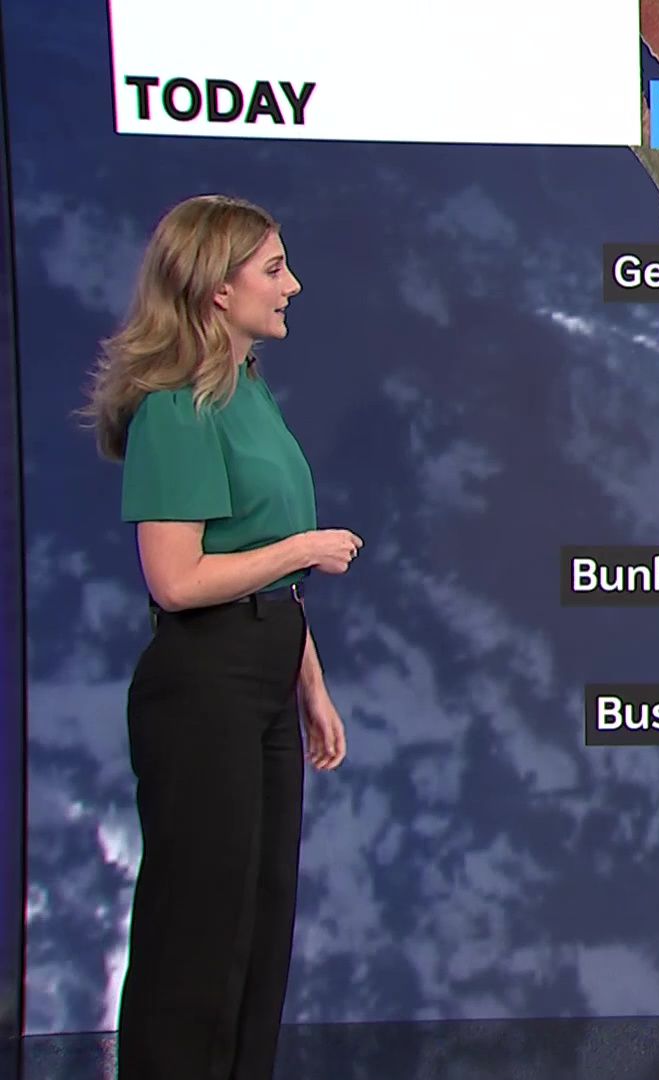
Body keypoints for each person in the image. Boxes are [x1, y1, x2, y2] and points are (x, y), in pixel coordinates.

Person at [75, 194, 362, 1079]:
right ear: (215, 289)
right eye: (273, 269)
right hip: (205, 685)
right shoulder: (176, 409)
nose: (293, 285)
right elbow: (178, 579)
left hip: (266, 671)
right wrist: (305, 549)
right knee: (198, 935)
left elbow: (262, 567)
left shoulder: (248, 391)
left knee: (257, 930)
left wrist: (309, 683)